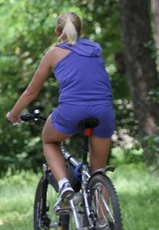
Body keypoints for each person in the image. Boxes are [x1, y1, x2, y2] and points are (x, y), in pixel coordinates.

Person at [6, 11, 115, 208]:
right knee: (99, 171)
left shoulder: (54, 54)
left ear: (57, 31)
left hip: (72, 110)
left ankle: (64, 185)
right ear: (81, 30)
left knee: (49, 140)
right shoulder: (95, 50)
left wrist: (14, 115)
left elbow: (31, 92)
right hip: (104, 111)